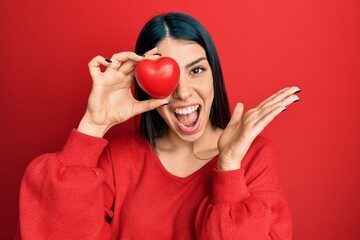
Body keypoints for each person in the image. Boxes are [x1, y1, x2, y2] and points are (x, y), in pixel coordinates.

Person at [17, 12, 300, 240]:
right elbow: (50, 231)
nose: (184, 92)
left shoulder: (254, 156)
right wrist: (94, 124)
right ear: (143, 83)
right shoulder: (119, 158)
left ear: (214, 74)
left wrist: (228, 166)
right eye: (169, 74)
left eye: (197, 70)